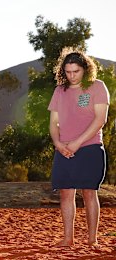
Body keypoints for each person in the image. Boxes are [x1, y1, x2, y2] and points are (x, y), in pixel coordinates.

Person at [48, 48, 110, 247]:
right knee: (66, 193)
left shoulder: (97, 87)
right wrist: (58, 144)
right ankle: (68, 239)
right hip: (64, 149)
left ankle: (92, 240)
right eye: (68, 72)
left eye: (76, 71)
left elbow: (100, 119)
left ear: (85, 69)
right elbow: (53, 122)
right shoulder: (59, 90)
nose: (72, 76)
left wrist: (77, 143)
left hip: (90, 147)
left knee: (89, 192)